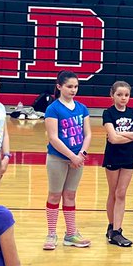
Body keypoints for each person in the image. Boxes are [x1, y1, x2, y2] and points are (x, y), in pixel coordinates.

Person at [43, 71, 92, 250]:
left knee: (70, 195)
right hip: (58, 158)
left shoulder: (82, 108)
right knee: (55, 195)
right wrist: (72, 156)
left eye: (75, 87)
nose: (73, 90)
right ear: (59, 87)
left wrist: (81, 154)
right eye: (69, 86)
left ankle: (71, 234)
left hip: (78, 159)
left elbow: (87, 134)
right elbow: (53, 138)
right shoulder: (53, 109)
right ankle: (51, 234)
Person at [102, 81, 133, 247]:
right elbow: (112, 138)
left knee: (121, 193)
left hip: (129, 156)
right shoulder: (108, 113)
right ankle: (112, 226)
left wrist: (123, 133)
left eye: (126, 95)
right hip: (113, 156)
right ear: (112, 95)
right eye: (119, 95)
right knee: (113, 192)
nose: (123, 98)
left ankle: (117, 231)